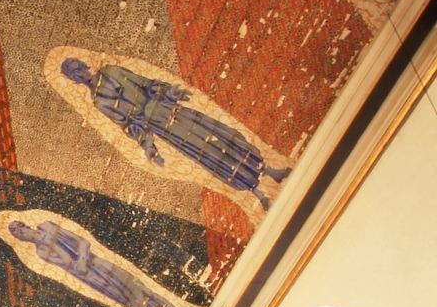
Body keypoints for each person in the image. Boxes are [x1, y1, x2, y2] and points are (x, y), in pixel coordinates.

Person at [61, 58, 289, 209]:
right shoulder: (99, 102)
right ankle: (258, 193)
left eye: (77, 67)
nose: (79, 73)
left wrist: (170, 91)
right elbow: (128, 125)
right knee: (208, 154)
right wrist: (149, 147)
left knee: (222, 136)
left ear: (84, 65)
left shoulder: (112, 71)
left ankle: (270, 171)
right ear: (73, 80)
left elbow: (146, 83)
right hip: (162, 127)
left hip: (169, 109)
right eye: (73, 73)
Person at [8, 219, 201, 307]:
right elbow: (71, 267)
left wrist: (82, 258)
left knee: (140, 288)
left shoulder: (48, 226)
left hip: (98, 264)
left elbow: (83, 243)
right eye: (19, 236)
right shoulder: (41, 252)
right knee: (132, 303)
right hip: (93, 278)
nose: (23, 236)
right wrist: (76, 263)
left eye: (21, 230)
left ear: (26, 226)